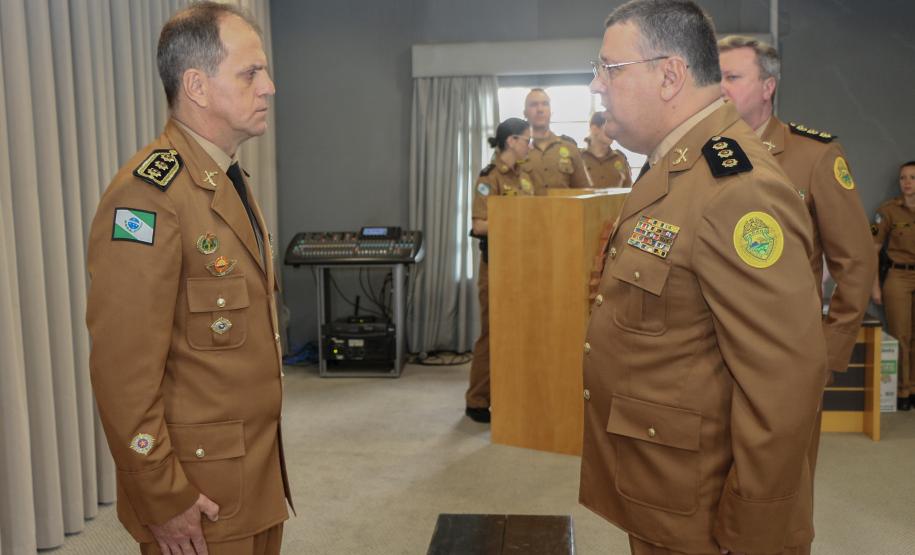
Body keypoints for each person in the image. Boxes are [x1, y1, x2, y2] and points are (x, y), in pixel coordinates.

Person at [580, 2, 826, 554]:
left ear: (669, 75)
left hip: (707, 519)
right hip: (661, 485)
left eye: (609, 69)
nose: (597, 86)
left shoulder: (735, 187)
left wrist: (751, 532)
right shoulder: (674, 165)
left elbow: (784, 384)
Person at [85, 3, 289, 554]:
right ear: (197, 86)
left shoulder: (226, 176)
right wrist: (163, 495)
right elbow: (122, 373)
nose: (269, 87)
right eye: (251, 73)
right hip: (200, 498)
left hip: (254, 476)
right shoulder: (147, 198)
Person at [719, 35, 876, 390]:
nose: (720, 88)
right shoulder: (701, 156)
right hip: (709, 350)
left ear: (767, 87)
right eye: (715, 78)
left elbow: (855, 261)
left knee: (782, 447)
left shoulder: (814, 155)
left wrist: (830, 350)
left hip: (784, 350)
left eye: (732, 77)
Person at [466, 118, 536, 423]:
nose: (529, 145)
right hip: (496, 267)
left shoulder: (525, 177)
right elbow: (479, 224)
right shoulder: (489, 177)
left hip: (525, 266)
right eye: (526, 140)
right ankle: (478, 399)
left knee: (520, 334)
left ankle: (513, 397)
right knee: (493, 334)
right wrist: (514, 222)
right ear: (511, 141)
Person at [871, 161, 915, 411]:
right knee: (901, 336)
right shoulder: (887, 211)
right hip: (898, 277)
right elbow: (872, 250)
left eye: (912, 177)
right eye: (902, 178)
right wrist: (874, 287)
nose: (907, 182)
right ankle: (902, 391)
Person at [520, 88, 593, 192]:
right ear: (525, 113)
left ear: (550, 111)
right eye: (533, 104)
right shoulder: (514, 152)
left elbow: (585, 193)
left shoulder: (571, 150)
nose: (540, 109)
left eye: (545, 104)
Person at [580, 111, 633, 188]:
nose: (612, 133)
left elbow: (628, 191)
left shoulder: (620, 159)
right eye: (607, 128)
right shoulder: (578, 159)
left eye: (614, 129)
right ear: (594, 129)